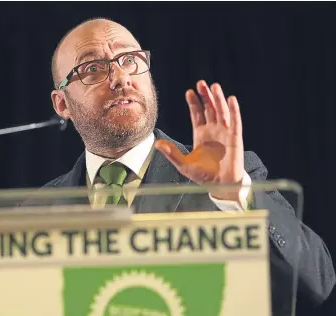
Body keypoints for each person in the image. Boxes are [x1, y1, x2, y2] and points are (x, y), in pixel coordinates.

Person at [44, 17, 335, 314]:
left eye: (129, 59)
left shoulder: (228, 180)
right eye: (92, 68)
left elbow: (315, 285)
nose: (120, 78)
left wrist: (235, 194)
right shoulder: (35, 212)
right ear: (62, 104)